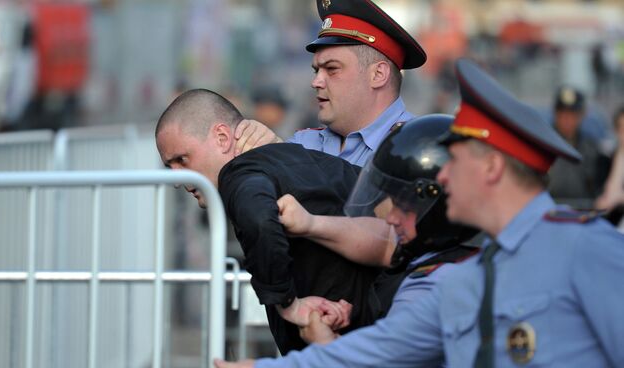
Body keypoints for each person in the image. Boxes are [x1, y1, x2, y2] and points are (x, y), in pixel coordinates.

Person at [216, 59, 624, 368]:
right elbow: (370, 352)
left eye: (455, 161)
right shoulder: (468, 277)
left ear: (491, 168)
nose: (441, 176)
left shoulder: (586, 249)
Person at [215, 113, 479, 368]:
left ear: (437, 207)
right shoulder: (443, 259)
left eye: (402, 205)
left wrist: (324, 343)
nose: (390, 218)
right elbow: (381, 242)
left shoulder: (432, 289)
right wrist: (309, 223)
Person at [155, 88, 383, 354]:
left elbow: (259, 221)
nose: (177, 179)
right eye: (169, 167)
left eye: (182, 160)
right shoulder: (314, 161)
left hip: (339, 344)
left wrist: (289, 305)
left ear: (221, 137)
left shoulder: (238, 176)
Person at [234, 0, 426, 166]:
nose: (316, 81)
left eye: (332, 69)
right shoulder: (304, 143)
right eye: (316, 70)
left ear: (378, 74)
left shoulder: (418, 146)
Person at [546, 86, 604, 205]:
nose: (567, 119)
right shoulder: (543, 143)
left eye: (572, 114)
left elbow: (598, 188)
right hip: (548, 210)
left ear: (581, 115)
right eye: (563, 113)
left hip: (584, 211)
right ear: (555, 113)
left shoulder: (591, 147)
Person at [595, 105, 624, 229]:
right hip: (610, 223)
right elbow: (600, 193)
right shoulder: (606, 158)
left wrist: (617, 198)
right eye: (621, 128)